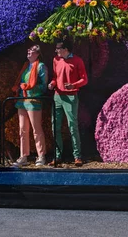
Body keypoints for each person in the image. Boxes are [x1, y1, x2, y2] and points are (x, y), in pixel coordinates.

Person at [48, 38, 87, 166]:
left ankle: (77, 156)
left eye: (58, 49)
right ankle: (57, 156)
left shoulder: (77, 61)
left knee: (72, 126)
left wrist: (73, 85)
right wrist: (52, 84)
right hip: (57, 96)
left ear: (65, 49)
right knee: (55, 126)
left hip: (71, 97)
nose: (56, 51)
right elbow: (55, 77)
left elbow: (84, 79)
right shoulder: (56, 60)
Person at [12, 45, 48, 167]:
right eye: (28, 50)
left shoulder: (41, 67)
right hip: (22, 100)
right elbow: (20, 82)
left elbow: (44, 86)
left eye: (31, 51)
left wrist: (29, 88)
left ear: (37, 54)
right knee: (22, 129)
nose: (28, 52)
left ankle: (41, 156)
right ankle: (23, 156)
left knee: (36, 129)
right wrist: (20, 88)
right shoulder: (25, 66)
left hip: (34, 101)